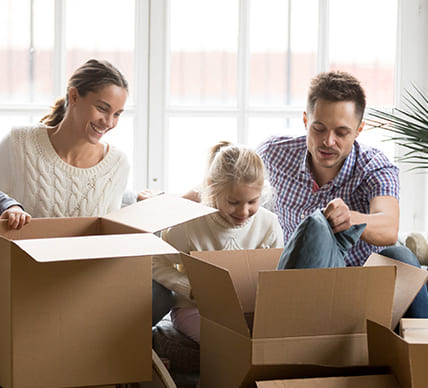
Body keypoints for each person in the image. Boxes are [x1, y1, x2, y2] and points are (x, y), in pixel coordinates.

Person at [257, 70, 428, 319]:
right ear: (306, 121)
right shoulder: (275, 153)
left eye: (341, 132)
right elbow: (225, 182)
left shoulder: (374, 166)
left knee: (401, 256)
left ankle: (421, 348)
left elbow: (389, 226)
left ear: (359, 130)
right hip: (302, 282)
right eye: (319, 128)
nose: (328, 141)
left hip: (363, 289)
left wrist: (351, 219)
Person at [152, 141, 284, 342]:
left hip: (248, 309)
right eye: (233, 202)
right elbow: (155, 262)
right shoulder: (189, 225)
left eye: (252, 202)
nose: (243, 212)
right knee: (231, 342)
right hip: (195, 310)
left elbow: (276, 277)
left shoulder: (269, 224)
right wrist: (190, 287)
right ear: (212, 189)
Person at [0, 59, 130, 218]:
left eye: (117, 114)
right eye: (102, 108)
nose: (109, 122)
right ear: (74, 97)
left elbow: (111, 229)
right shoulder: (19, 143)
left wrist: (138, 199)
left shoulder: (117, 164)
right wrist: (7, 207)